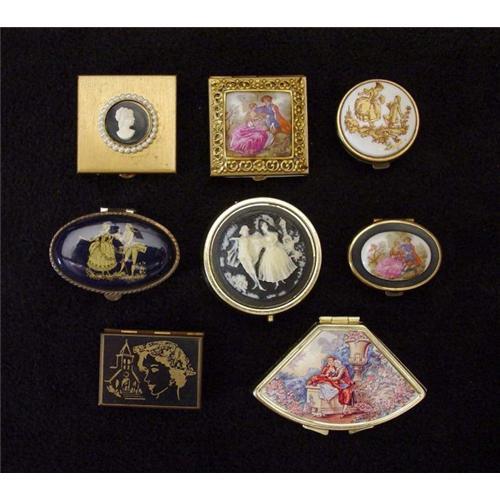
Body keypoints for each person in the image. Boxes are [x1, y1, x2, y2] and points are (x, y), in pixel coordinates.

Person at [257, 221, 297, 288]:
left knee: (280, 264)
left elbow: (276, 241)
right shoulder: (263, 237)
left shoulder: (273, 233)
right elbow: (264, 245)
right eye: (263, 225)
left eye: (266, 224)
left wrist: (274, 244)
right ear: (261, 228)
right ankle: (276, 282)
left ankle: (282, 279)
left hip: (277, 250)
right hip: (269, 252)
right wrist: (268, 245)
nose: (265, 226)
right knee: (272, 266)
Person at [228, 225, 265, 290]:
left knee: (252, 270)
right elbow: (238, 240)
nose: (247, 232)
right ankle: (256, 283)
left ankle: (259, 285)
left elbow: (256, 239)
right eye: (245, 231)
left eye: (247, 231)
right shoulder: (241, 238)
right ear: (242, 232)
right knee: (248, 271)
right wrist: (233, 238)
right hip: (241, 256)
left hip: (247, 256)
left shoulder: (249, 238)